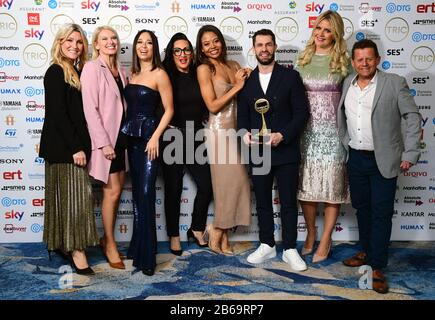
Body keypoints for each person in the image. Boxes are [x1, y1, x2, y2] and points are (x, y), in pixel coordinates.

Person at [337, 39, 421, 294]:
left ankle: (377, 266)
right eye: (359, 59)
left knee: (381, 213)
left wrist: (411, 152)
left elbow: (412, 116)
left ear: (378, 59)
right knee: (362, 209)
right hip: (356, 158)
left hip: (384, 158)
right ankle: (365, 251)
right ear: (353, 62)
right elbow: (343, 116)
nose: (364, 63)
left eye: (369, 58)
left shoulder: (394, 83)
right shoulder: (347, 84)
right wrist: (344, 145)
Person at [237, 29, 309, 271]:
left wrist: (284, 135)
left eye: (268, 44)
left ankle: (289, 248)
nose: (264, 49)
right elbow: (242, 118)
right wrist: (244, 134)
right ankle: (266, 244)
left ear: (275, 47)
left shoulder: (291, 77)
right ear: (254, 48)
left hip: (286, 151)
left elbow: (301, 114)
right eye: (259, 45)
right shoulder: (247, 82)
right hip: (258, 152)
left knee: (288, 202)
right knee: (263, 203)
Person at [40, 23, 97, 275]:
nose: (75, 46)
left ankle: (65, 243)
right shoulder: (55, 72)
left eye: (79, 41)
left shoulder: (76, 71)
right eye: (69, 41)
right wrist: (76, 147)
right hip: (65, 149)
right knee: (74, 201)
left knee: (71, 199)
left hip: (73, 146)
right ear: (60, 44)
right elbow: (58, 114)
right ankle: (76, 250)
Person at [295, 10, 350, 263]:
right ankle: (311, 233)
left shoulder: (344, 62)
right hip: (307, 133)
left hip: (333, 134)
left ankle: (326, 239)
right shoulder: (302, 60)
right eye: (319, 28)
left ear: (335, 34)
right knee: (307, 189)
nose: (321, 34)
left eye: (328, 30)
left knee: (331, 190)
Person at [121, 29, 174, 275]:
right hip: (131, 139)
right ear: (135, 47)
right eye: (140, 42)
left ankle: (148, 257)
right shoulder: (131, 73)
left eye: (149, 42)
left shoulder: (159, 74)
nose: (144, 46)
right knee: (137, 197)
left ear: (155, 47)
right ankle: (137, 248)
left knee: (146, 193)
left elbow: (169, 110)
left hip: (150, 139)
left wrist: (155, 138)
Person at [196, 24, 251, 254]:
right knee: (229, 184)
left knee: (232, 186)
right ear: (201, 48)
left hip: (237, 132)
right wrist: (238, 86)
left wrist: (248, 76)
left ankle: (224, 237)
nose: (212, 46)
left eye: (215, 40)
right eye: (206, 43)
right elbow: (212, 105)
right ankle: (216, 227)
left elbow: (245, 96)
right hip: (218, 132)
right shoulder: (203, 69)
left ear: (221, 41)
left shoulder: (234, 65)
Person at [161, 33, 213, 255]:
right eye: (177, 51)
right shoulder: (165, 76)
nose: (182, 55)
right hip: (172, 138)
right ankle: (174, 235)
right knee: (172, 189)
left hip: (195, 135)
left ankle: (197, 227)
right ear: (171, 54)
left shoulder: (198, 74)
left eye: (186, 50)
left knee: (207, 185)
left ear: (192, 53)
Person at [81, 26, 128, 270]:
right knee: (112, 192)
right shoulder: (91, 68)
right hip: (107, 142)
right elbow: (90, 109)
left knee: (116, 191)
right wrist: (103, 143)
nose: (111, 42)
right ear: (96, 45)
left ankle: (105, 239)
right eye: (105, 39)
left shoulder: (120, 69)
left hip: (122, 140)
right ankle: (109, 244)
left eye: (114, 38)